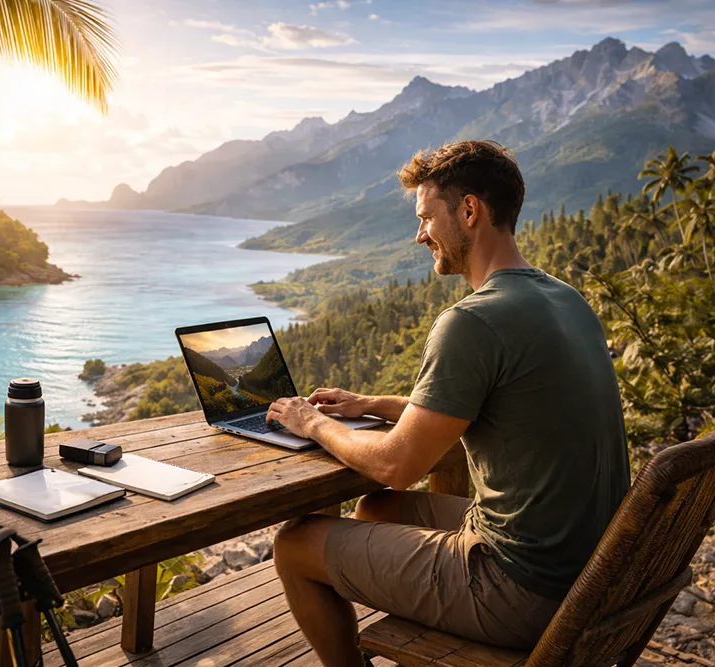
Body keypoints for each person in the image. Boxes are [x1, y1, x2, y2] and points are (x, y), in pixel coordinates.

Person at [265, 140, 631, 667]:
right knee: (377, 510)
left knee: (296, 545)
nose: (419, 235)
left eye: (426, 218)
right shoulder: (564, 299)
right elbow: (497, 405)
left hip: (521, 590)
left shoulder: (473, 321)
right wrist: (372, 403)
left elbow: (396, 465)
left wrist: (313, 422)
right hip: (589, 571)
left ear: (469, 210)